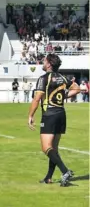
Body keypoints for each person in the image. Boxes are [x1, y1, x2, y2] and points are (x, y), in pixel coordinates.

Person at [28, 53, 80, 187]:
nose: (43, 63)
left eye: (44, 61)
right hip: (61, 114)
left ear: (49, 64)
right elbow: (77, 88)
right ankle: (49, 177)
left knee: (46, 147)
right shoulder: (63, 78)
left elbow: (37, 98)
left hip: (49, 114)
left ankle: (65, 171)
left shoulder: (44, 78)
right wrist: (63, 96)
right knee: (54, 148)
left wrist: (30, 115)